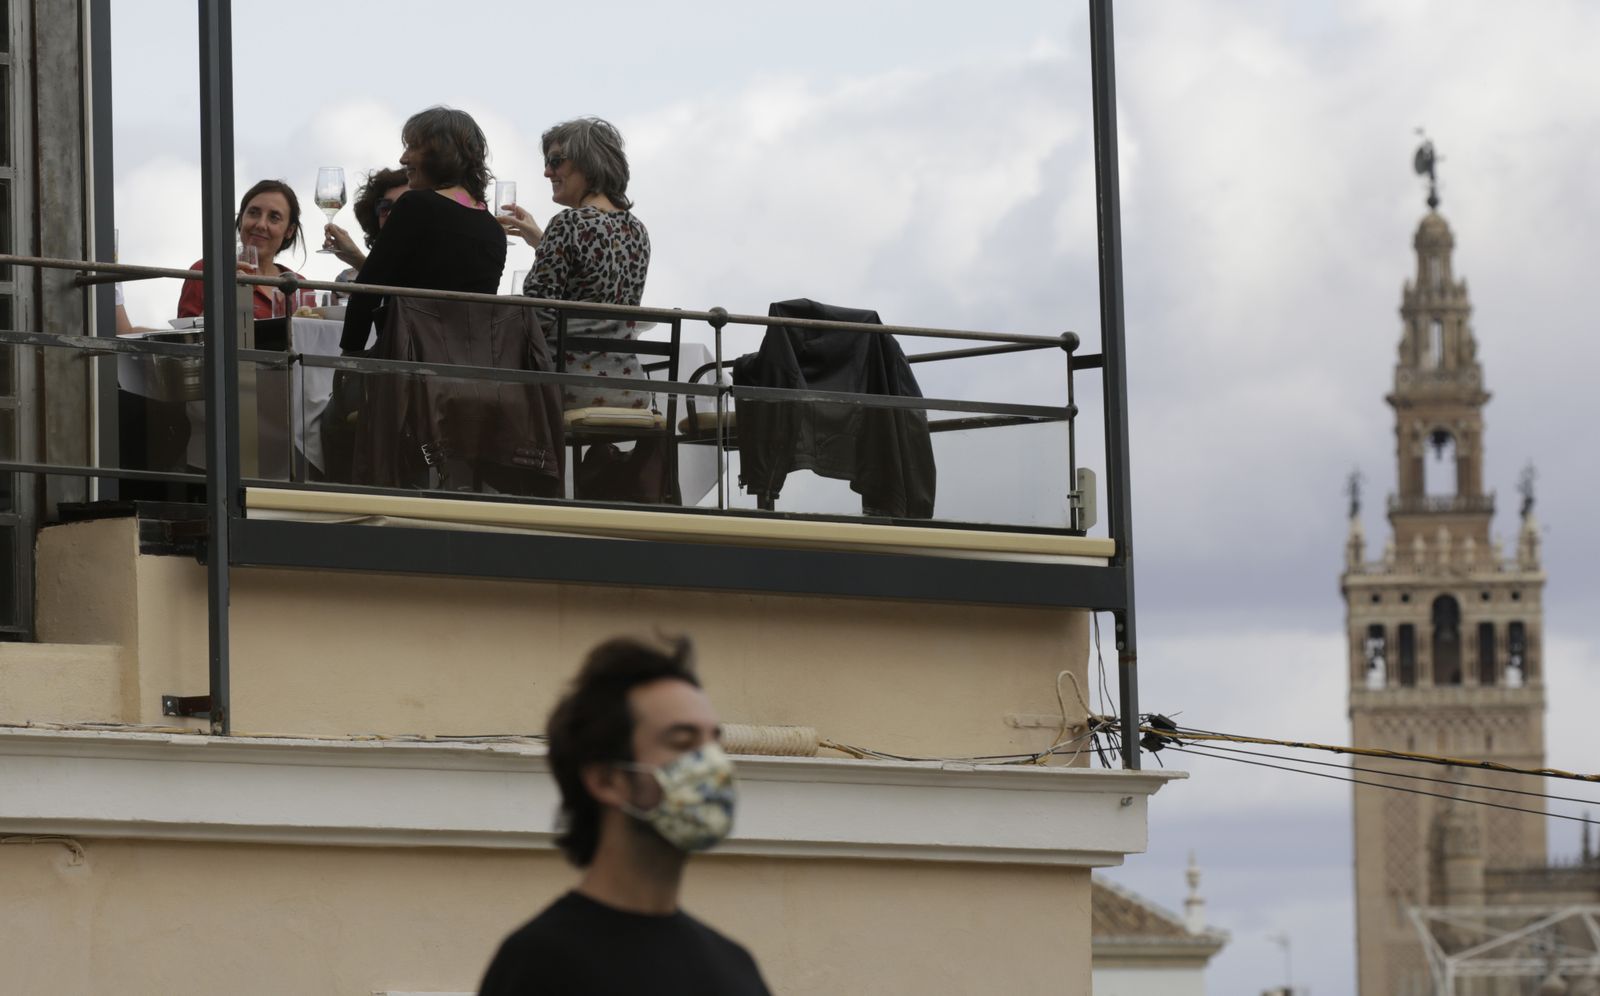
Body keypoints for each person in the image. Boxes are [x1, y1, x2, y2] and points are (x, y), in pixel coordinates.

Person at [477, 637, 770, 996]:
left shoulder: (736, 969)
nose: (715, 766)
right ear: (606, 780)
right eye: (682, 742)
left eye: (714, 744)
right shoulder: (538, 966)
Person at [499, 116, 651, 411]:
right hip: (629, 384)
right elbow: (597, 289)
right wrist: (544, 243)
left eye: (556, 161)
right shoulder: (637, 230)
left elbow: (537, 316)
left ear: (588, 162)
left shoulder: (568, 222)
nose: (547, 172)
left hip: (568, 386)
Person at [339, 106, 506, 354]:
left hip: (411, 360)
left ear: (441, 152)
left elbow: (368, 289)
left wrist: (348, 357)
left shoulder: (415, 205)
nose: (403, 158)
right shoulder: (494, 230)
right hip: (470, 364)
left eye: (413, 147)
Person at [176, 179, 305, 319]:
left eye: (274, 217)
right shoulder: (206, 270)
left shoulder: (303, 287)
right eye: (253, 213)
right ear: (242, 218)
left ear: (289, 230)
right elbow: (186, 332)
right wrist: (224, 297)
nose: (261, 225)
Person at [322, 166, 409, 283]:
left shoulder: (434, 264)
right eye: (384, 206)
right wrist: (355, 258)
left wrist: (357, 260)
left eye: (405, 205)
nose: (391, 213)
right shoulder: (346, 279)